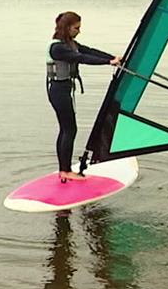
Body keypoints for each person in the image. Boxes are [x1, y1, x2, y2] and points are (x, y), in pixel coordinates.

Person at [47, 11, 120, 181]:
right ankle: (65, 171)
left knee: (67, 129)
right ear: (67, 28)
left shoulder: (70, 44)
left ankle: (63, 169)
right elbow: (81, 58)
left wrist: (112, 58)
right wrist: (108, 62)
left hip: (64, 90)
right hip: (58, 91)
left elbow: (89, 51)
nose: (79, 31)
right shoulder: (57, 48)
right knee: (69, 129)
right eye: (76, 28)